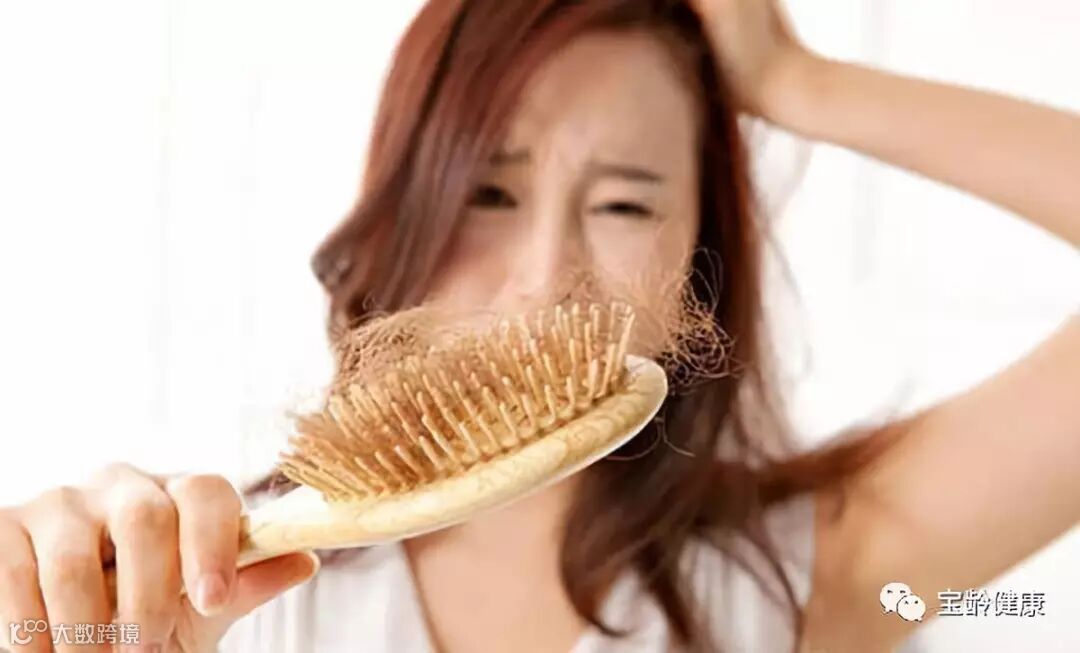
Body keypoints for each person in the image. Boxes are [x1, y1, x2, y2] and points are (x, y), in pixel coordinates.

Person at [2, 1, 1077, 652]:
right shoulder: (232, 606)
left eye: (625, 205)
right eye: (490, 193)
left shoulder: (807, 581)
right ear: (403, 210)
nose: (547, 279)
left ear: (702, 255)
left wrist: (801, 85)